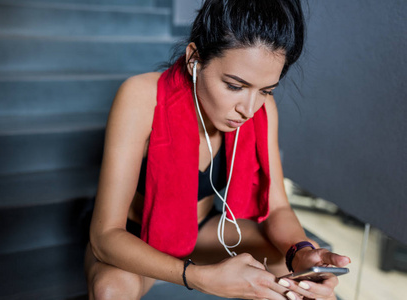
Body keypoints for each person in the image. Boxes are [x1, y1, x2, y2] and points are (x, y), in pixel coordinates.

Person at [85, 0, 351, 299]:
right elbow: (104, 235)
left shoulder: (263, 111)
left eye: (265, 91)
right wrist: (198, 277)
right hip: (138, 235)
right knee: (111, 290)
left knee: (291, 270)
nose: (248, 109)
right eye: (235, 86)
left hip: (203, 228)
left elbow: (277, 207)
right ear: (194, 60)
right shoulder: (141, 97)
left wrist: (302, 252)